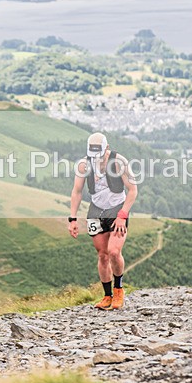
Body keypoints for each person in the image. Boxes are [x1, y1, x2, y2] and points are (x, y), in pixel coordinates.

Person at [68, 133, 137, 310]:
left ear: (106, 148)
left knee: (114, 252)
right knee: (102, 255)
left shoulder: (119, 162)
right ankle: (107, 295)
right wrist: (73, 219)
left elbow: (132, 190)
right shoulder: (84, 164)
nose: (96, 160)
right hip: (96, 210)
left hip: (117, 209)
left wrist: (123, 215)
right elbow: (77, 191)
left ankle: (119, 290)